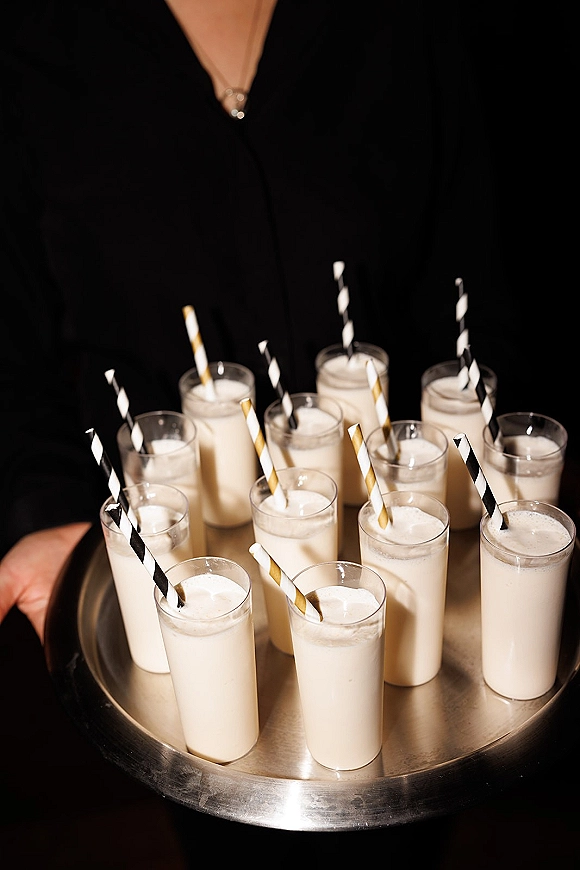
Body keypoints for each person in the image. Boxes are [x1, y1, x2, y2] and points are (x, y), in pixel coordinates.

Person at [1, 0, 575, 860]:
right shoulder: (30, 46)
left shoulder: (406, 27)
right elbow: (8, 353)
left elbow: (480, 300)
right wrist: (43, 507)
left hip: (403, 520)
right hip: (189, 570)